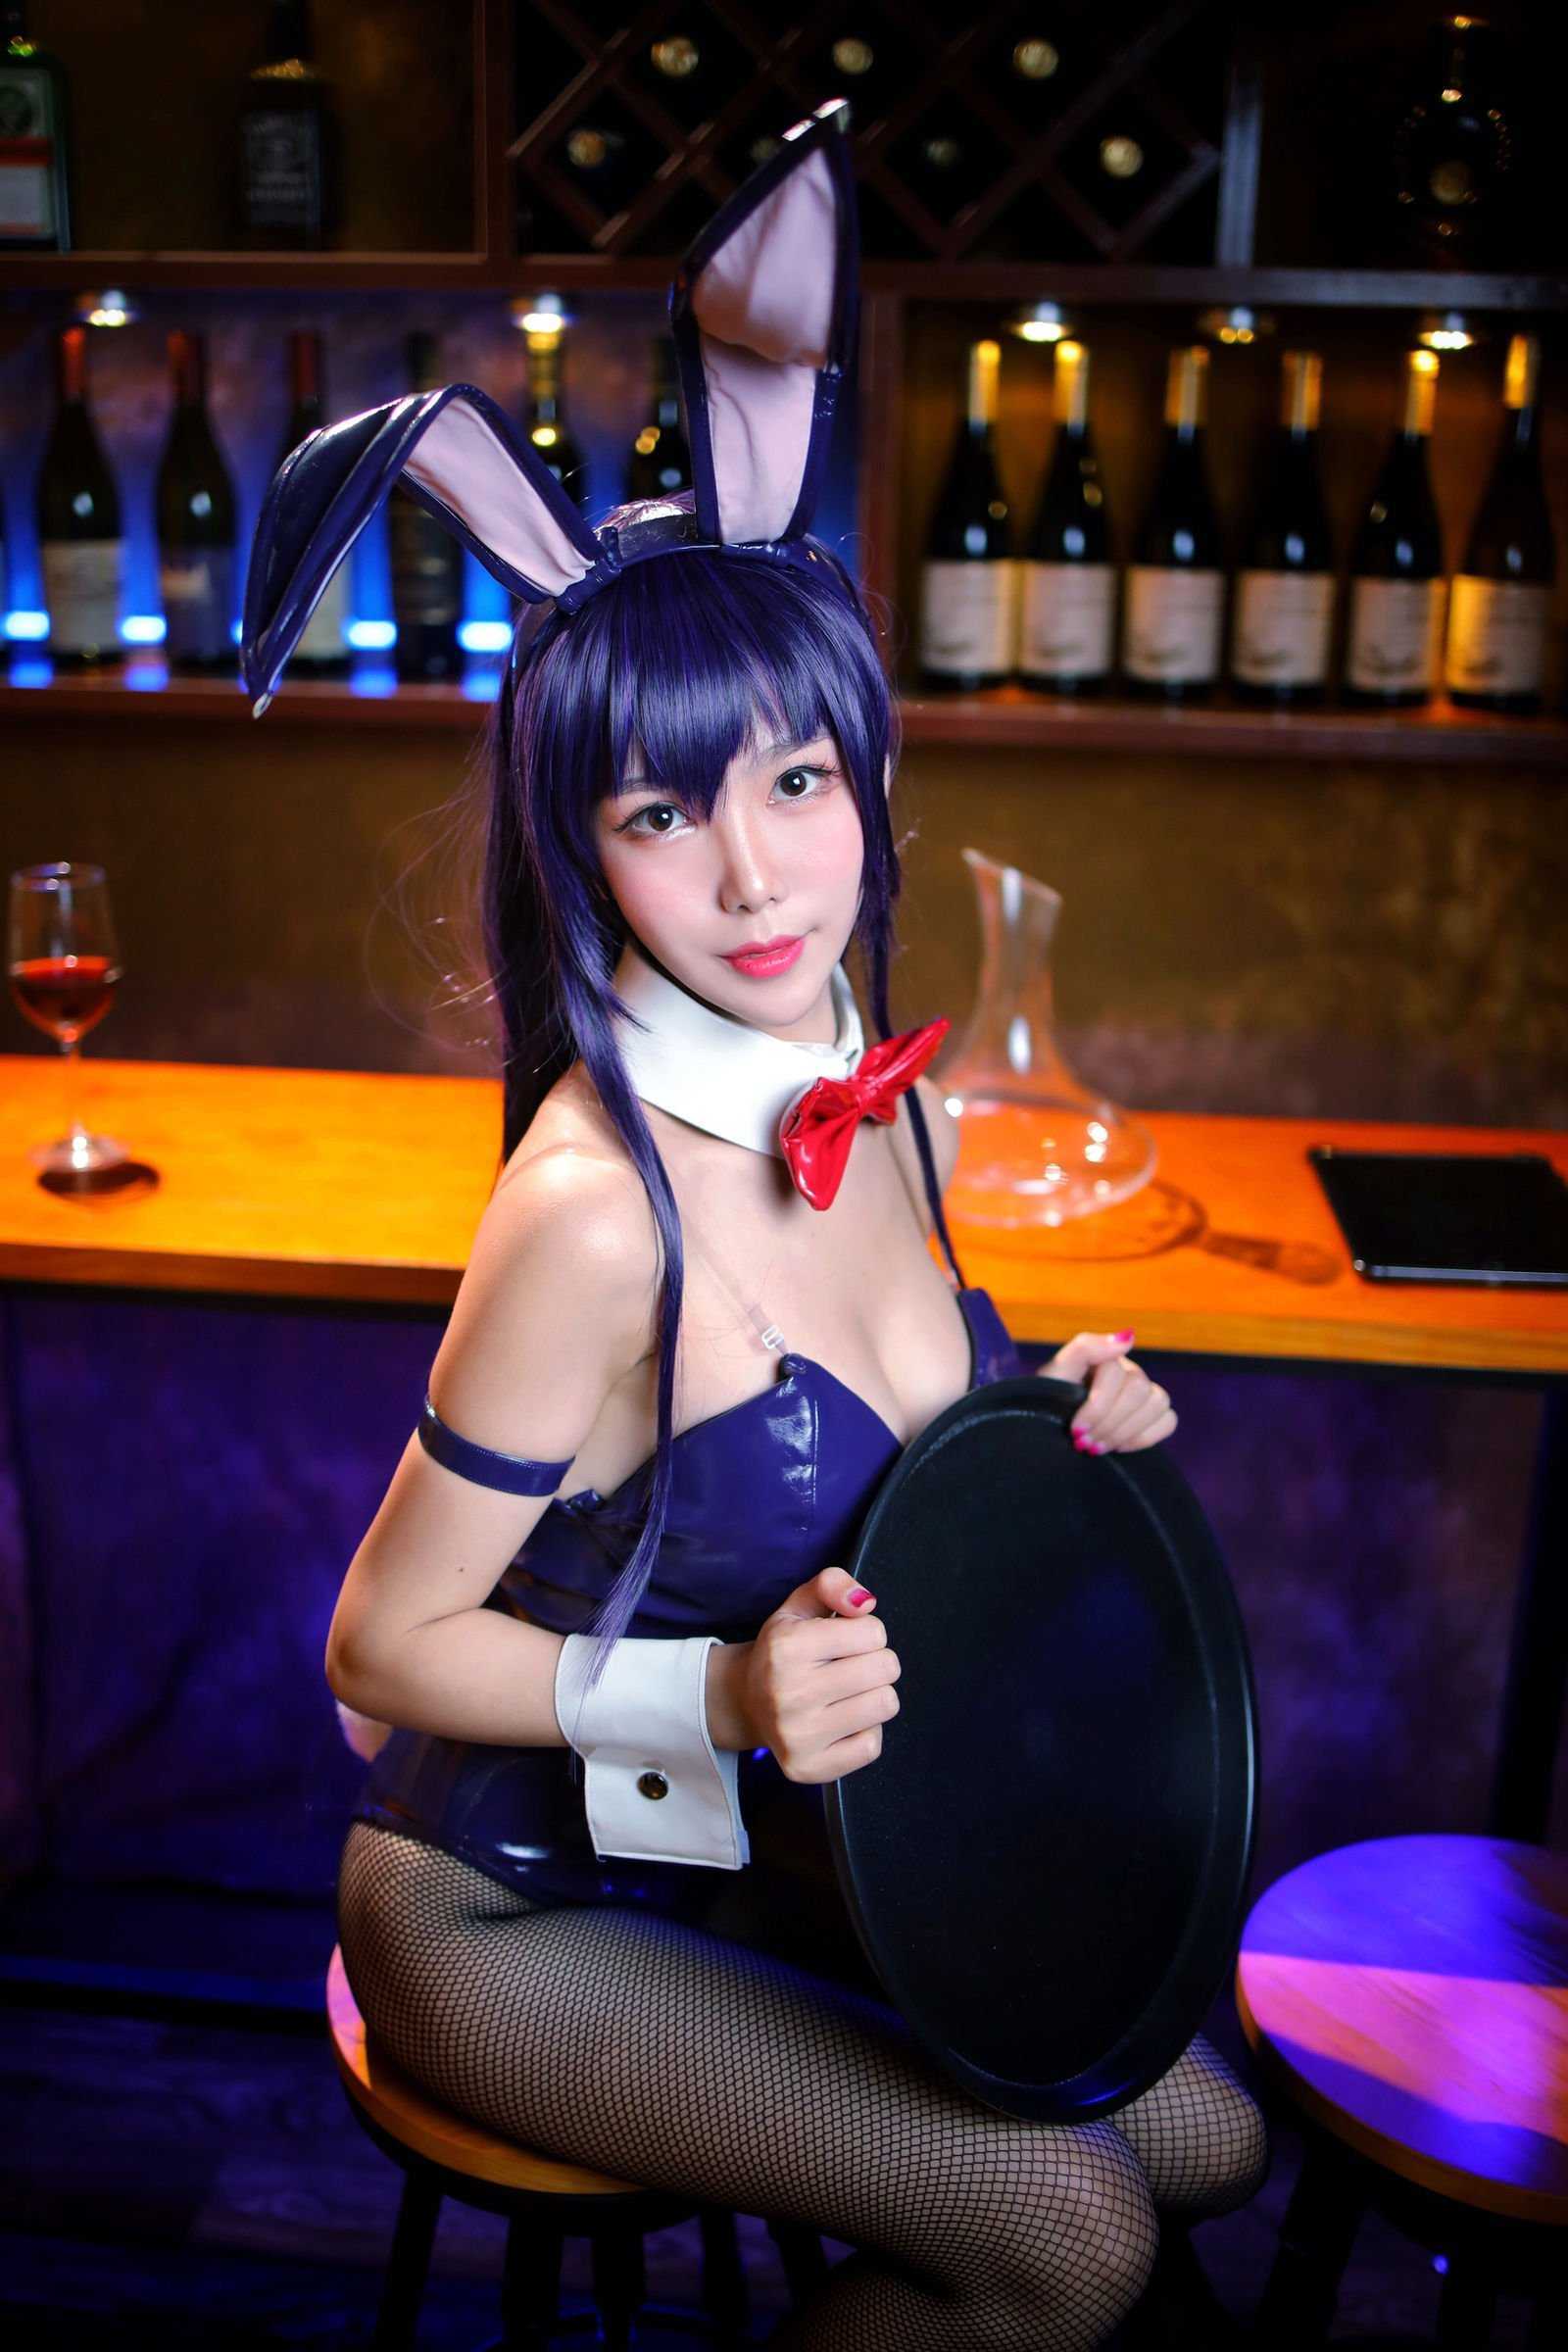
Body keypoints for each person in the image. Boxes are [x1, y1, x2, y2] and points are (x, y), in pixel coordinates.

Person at [247, 102, 1266, 2351]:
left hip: (753, 1840)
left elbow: (888, 1462)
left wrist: (1046, 1421)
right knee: (1075, 2232)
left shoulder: (879, 1090)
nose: (751, 877)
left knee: (1206, 2136)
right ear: (576, 846)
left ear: (871, 773)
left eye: (795, 780)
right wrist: (711, 1690)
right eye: (660, 810)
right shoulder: (589, 1216)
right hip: (512, 1903)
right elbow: (375, 1650)